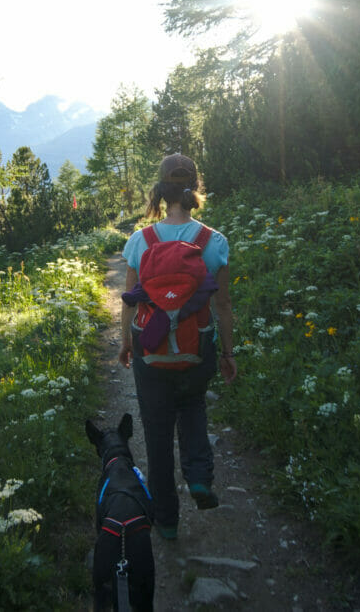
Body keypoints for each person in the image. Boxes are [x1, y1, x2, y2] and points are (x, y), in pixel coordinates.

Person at [119, 153, 237, 540]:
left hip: (151, 352)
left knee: (155, 434)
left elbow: (132, 300)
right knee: (192, 407)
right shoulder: (213, 241)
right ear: (194, 189)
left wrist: (125, 343)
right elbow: (223, 304)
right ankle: (200, 476)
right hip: (196, 348)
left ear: (160, 190)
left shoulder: (141, 240)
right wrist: (227, 354)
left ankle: (166, 522)